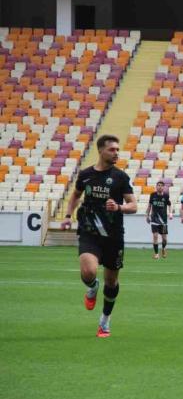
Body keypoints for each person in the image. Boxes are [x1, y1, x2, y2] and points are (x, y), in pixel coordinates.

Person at [60, 134, 137, 338]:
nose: (116, 153)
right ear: (101, 150)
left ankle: (104, 320)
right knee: (88, 272)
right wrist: (68, 216)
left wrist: (119, 207)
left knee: (111, 282)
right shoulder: (86, 175)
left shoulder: (120, 177)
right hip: (90, 232)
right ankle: (93, 287)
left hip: (113, 236)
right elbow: (75, 195)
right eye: (112, 149)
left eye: (118, 150)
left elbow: (133, 205)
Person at [146, 180, 172, 259]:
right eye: (158, 185)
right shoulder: (152, 195)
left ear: (163, 187)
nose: (160, 187)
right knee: (155, 236)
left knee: (164, 239)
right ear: (156, 187)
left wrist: (170, 213)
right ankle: (156, 253)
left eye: (161, 186)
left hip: (163, 221)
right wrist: (147, 215)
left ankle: (163, 248)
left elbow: (169, 205)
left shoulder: (166, 196)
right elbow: (149, 206)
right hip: (154, 219)